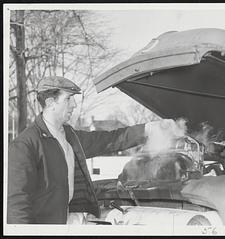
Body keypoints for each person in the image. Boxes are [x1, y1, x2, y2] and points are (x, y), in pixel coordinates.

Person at [7, 76, 176, 224]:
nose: (73, 105)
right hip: (47, 226)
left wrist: (149, 129)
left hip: (72, 220)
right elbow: (17, 204)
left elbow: (110, 140)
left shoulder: (70, 136)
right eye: (68, 99)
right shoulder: (25, 145)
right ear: (51, 103)